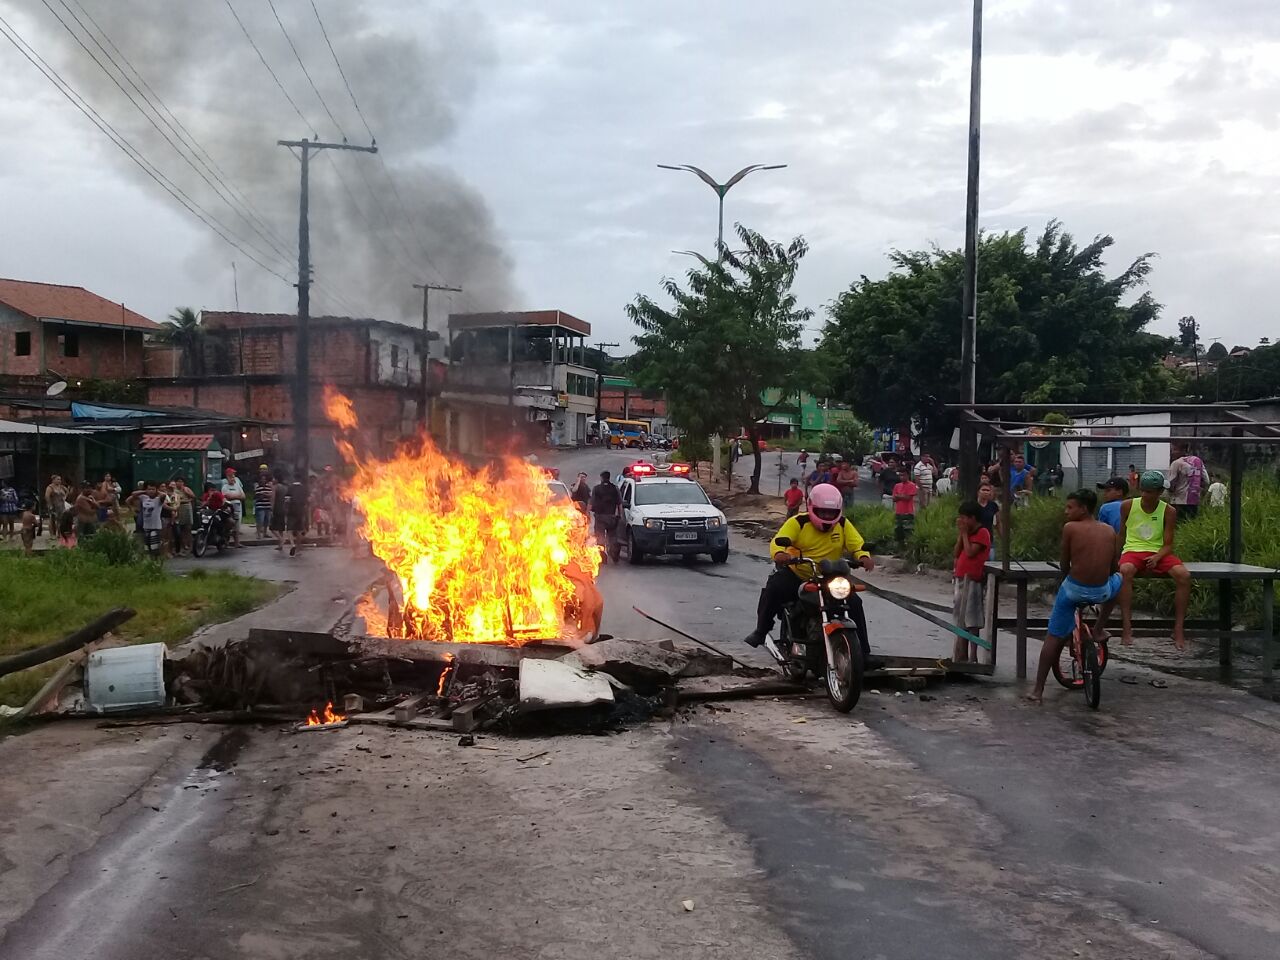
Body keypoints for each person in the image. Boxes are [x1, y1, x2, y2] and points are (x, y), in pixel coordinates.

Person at [743, 483, 875, 666]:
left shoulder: (843, 524)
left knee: (854, 602)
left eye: (831, 513)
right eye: (823, 512)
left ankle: (864, 653)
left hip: (829, 577)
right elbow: (779, 541)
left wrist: (863, 556)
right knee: (773, 589)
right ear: (811, 507)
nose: (828, 517)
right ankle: (761, 630)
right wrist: (781, 554)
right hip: (799, 573)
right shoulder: (798, 522)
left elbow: (857, 544)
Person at [1025, 489, 1123, 703]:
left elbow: (1064, 564)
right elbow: (1114, 567)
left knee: (1052, 637)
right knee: (1120, 581)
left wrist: (1066, 575)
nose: (1066, 511)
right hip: (1102, 590)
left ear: (1084, 508)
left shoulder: (1070, 528)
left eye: (1070, 507)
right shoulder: (1108, 530)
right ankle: (1098, 628)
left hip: (1074, 589)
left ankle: (1037, 690)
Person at [1117, 470, 1192, 650]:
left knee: (1184, 576)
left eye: (1149, 492)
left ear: (1159, 492)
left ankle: (1178, 628)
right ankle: (1127, 625)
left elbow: (1168, 544)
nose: (1145, 495)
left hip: (1158, 551)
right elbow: (1121, 535)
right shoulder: (1127, 506)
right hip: (1133, 550)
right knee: (1125, 571)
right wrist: (1115, 556)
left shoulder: (1168, 510)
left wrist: (1158, 557)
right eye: (1143, 490)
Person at [952, 501, 992, 663]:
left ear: (972, 518)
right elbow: (957, 552)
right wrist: (962, 535)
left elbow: (969, 553)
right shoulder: (967, 533)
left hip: (973, 580)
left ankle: (973, 655)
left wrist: (964, 534)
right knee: (960, 617)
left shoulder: (982, 533)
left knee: (972, 619)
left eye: (964, 518)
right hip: (961, 579)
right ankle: (962, 653)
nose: (962, 521)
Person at [1167, 443, 1208, 521]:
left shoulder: (1176, 463)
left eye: (1175, 450)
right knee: (1190, 524)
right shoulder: (1198, 461)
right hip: (1194, 500)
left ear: (1184, 450)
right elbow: (1206, 481)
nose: (1172, 452)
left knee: (1177, 525)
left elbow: (1170, 484)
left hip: (1178, 501)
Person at [127, 481, 167, 558]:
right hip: (146, 526)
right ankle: (151, 560)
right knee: (147, 546)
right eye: (149, 489)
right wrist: (145, 491)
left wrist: (156, 491)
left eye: (153, 489)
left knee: (154, 546)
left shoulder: (158, 499)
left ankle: (156, 559)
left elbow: (163, 495)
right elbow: (133, 494)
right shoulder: (144, 498)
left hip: (155, 526)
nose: (151, 491)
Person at [589, 470, 622, 560]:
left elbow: (591, 503)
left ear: (601, 478)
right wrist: (620, 515)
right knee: (612, 536)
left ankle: (602, 555)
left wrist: (587, 513)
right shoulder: (615, 488)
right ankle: (613, 552)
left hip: (600, 517)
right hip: (611, 517)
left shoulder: (596, 488)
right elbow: (619, 504)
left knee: (600, 536)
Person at [892, 469, 918, 546]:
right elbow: (894, 498)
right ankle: (900, 549)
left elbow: (908, 498)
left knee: (908, 531)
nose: (901, 477)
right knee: (898, 532)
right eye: (900, 475)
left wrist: (899, 496)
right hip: (898, 512)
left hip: (908, 512)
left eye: (903, 475)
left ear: (907, 475)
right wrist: (901, 496)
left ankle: (908, 548)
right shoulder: (897, 486)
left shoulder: (912, 485)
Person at [221, 467, 246, 546]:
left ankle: (237, 543)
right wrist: (237, 495)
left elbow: (243, 496)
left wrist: (233, 496)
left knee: (237, 526)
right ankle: (226, 542)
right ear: (227, 477)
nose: (233, 478)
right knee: (229, 525)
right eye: (231, 476)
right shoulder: (225, 486)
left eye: (233, 476)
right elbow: (225, 496)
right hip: (229, 508)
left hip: (238, 508)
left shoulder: (237, 485)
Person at [285, 472, 308, 557]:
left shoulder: (290, 487)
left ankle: (292, 545)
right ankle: (298, 549)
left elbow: (287, 500)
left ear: (294, 478)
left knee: (289, 530)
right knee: (299, 530)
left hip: (292, 511)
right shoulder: (304, 488)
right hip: (300, 511)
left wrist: (286, 510)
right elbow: (307, 501)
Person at [173, 475, 195, 555]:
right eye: (178, 481)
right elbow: (174, 500)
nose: (180, 483)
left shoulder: (186, 489)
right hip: (179, 509)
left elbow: (193, 497)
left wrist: (186, 493)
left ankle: (191, 546)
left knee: (188, 528)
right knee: (180, 529)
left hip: (187, 508)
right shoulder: (174, 490)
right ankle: (183, 546)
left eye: (181, 481)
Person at [269, 466, 290, 550]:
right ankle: (280, 545)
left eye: (273, 478)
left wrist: (271, 509)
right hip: (283, 508)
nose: (272, 480)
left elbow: (273, 499)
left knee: (272, 527)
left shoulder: (275, 487)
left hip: (277, 509)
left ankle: (281, 540)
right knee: (281, 528)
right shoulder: (285, 487)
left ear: (277, 479)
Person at [254, 466, 274, 540]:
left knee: (266, 521)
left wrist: (264, 494)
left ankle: (265, 533)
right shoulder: (258, 487)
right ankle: (259, 534)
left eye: (264, 479)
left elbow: (270, 495)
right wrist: (265, 495)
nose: (263, 480)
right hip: (260, 506)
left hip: (267, 506)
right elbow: (257, 496)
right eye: (262, 479)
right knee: (260, 520)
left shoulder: (268, 487)